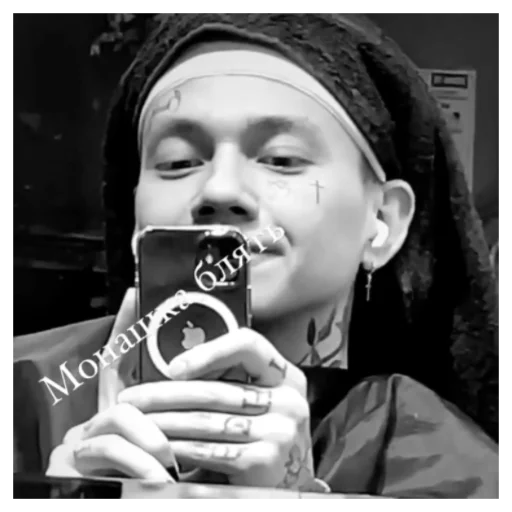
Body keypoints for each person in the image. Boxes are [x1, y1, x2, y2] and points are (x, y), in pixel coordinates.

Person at [10, 9, 503, 503]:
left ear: (383, 222)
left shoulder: (449, 467)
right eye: (178, 162)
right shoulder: (24, 389)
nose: (220, 190)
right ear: (134, 214)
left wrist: (295, 496)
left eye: (282, 159)